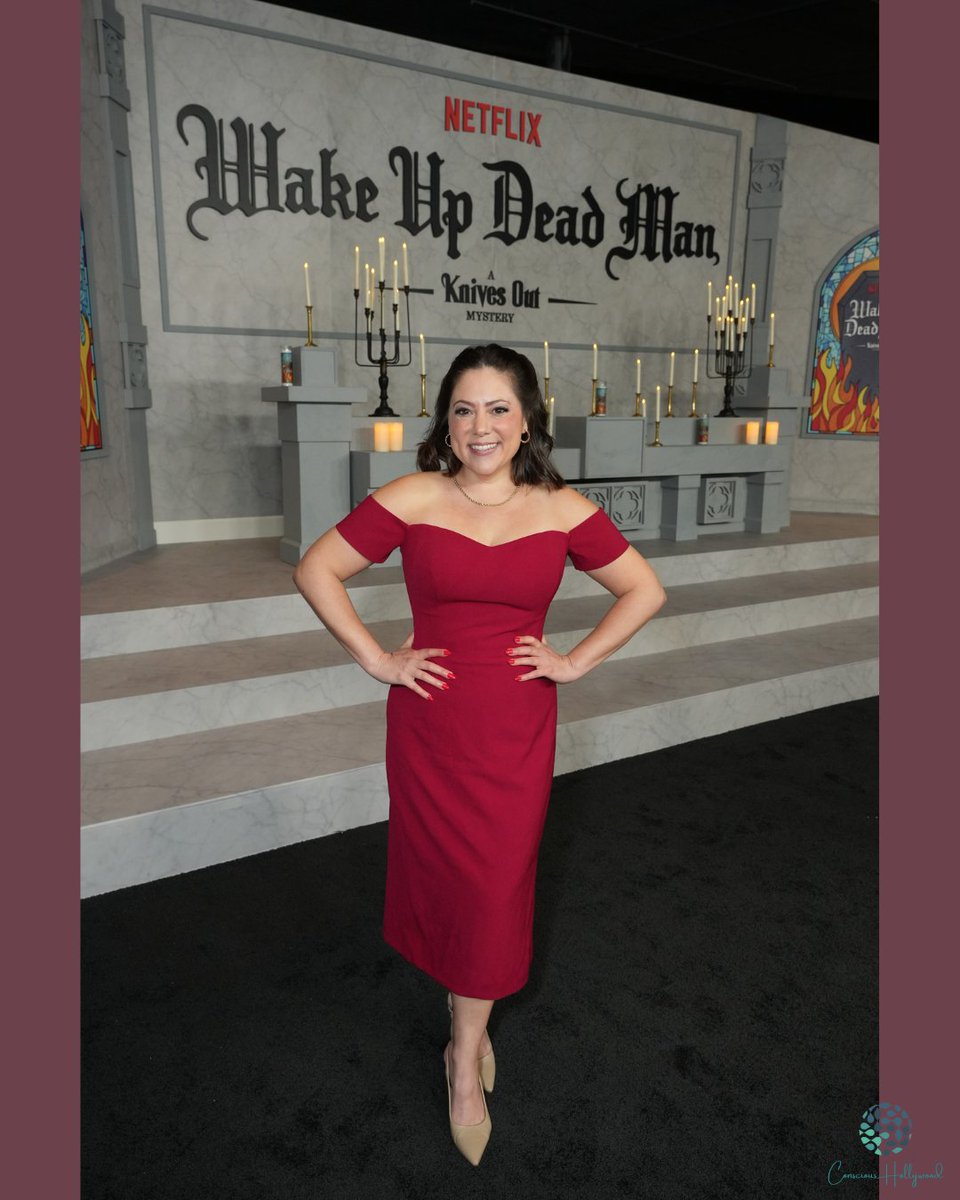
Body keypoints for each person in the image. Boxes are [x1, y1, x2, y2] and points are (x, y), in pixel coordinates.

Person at [293, 343, 666, 1165]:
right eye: (464, 409)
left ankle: (463, 1052)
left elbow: (646, 589)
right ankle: (469, 1028)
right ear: (446, 421)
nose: (481, 425)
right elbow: (318, 566)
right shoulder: (415, 494)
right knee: (453, 881)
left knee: (497, 885)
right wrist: (377, 658)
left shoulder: (563, 508)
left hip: (515, 726)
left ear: (527, 417)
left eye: (498, 408)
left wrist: (572, 661)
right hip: (431, 724)